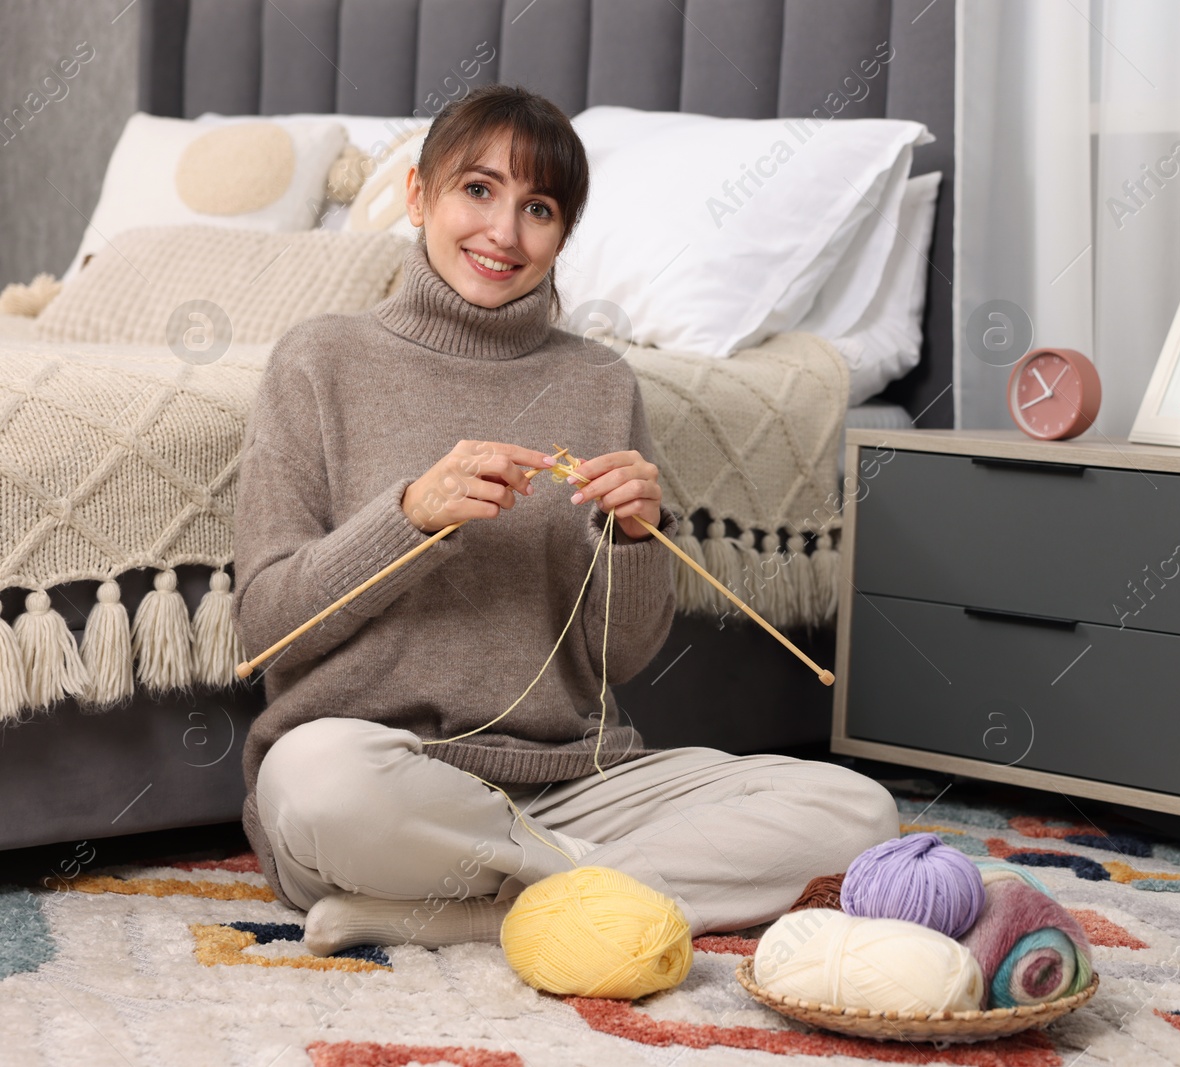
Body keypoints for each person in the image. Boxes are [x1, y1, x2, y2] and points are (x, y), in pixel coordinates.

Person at [232, 85, 899, 956]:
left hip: (569, 782)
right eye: (478, 190)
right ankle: (597, 886)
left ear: (563, 232)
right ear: (417, 197)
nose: (504, 233)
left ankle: (485, 910)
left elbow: (618, 659)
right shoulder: (318, 360)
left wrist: (630, 543)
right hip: (387, 780)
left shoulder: (600, 383)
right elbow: (265, 627)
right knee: (315, 786)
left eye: (538, 208)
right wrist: (407, 518)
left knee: (858, 811)